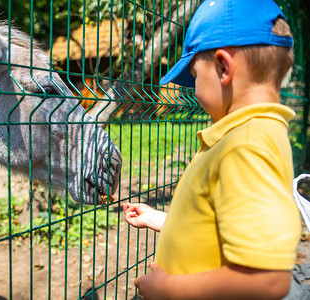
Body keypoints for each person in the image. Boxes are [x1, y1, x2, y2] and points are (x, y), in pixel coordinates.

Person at [122, 0, 302, 299]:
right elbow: (224, 225)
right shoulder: (245, 136)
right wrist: (161, 219)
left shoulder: (246, 145)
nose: (192, 88)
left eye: (193, 75)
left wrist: (168, 288)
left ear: (223, 67)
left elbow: (267, 280)